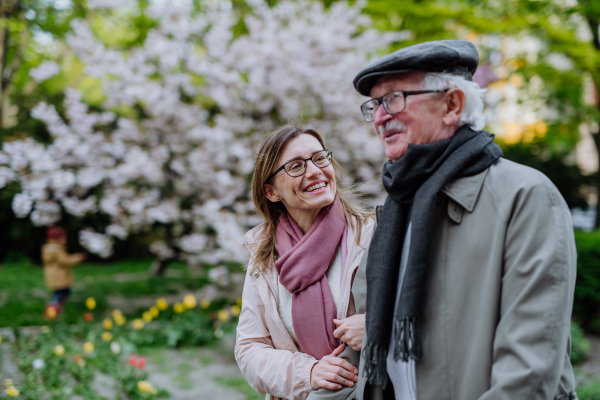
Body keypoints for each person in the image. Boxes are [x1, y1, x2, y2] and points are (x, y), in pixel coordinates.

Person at [349, 40, 577, 400]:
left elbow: (526, 376)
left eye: (394, 98)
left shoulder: (525, 196)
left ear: (452, 105)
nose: (379, 116)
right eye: (375, 104)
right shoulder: (395, 210)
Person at [235, 124, 376, 400]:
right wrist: (307, 373)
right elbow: (249, 347)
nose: (315, 171)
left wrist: (375, 327)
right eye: (296, 166)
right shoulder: (264, 256)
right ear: (271, 192)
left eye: (320, 158)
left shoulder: (372, 235)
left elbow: (420, 313)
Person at [42, 226, 86, 319]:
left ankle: (56, 308)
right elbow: (65, 260)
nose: (65, 239)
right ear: (58, 238)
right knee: (59, 295)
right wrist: (78, 258)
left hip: (54, 276)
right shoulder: (57, 249)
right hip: (59, 276)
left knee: (64, 292)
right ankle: (51, 312)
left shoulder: (48, 247)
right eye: (63, 237)